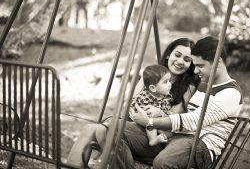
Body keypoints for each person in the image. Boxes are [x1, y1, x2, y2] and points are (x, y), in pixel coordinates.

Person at [67, 38, 200, 167]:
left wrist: (158, 113)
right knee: (91, 129)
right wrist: (137, 114)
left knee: (108, 129)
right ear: (168, 55)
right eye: (177, 55)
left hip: (157, 138)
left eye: (187, 59)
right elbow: (130, 105)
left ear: (191, 64)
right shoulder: (151, 74)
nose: (180, 61)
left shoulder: (188, 86)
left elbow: (172, 122)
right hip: (134, 127)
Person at [129, 36, 243, 168]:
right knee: (116, 131)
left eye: (200, 65)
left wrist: (150, 122)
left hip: (202, 144)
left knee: (162, 162)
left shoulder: (230, 93)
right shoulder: (202, 87)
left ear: (218, 62)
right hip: (176, 137)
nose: (195, 70)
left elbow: (194, 121)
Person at [130, 64, 173, 146]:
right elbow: (137, 109)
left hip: (159, 117)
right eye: (165, 82)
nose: (169, 84)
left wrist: (165, 113)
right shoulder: (145, 98)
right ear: (153, 88)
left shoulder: (163, 94)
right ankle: (152, 139)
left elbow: (166, 107)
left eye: (169, 81)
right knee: (151, 118)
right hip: (142, 119)